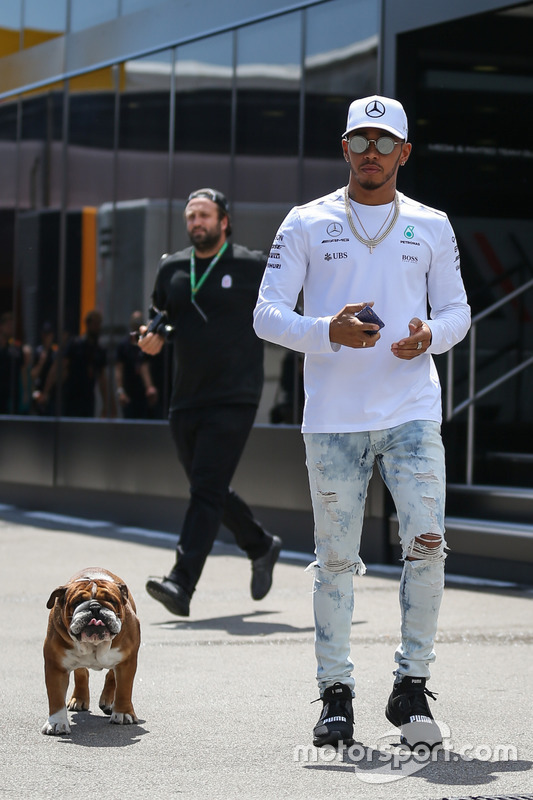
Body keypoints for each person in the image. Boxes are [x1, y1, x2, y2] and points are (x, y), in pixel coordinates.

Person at [253, 96, 471, 750]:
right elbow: (265, 314)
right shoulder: (304, 222)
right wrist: (327, 331)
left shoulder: (431, 225)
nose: (370, 152)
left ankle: (410, 685)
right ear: (343, 148)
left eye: (384, 142)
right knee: (335, 560)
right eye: (359, 140)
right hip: (332, 419)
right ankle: (335, 694)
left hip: (410, 410)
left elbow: (458, 311)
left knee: (427, 541)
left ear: (404, 153)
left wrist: (430, 335)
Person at [138, 188, 282, 618]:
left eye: (204, 215)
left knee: (205, 489)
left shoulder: (251, 265)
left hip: (235, 395)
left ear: (224, 221)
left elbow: (291, 302)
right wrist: (152, 337)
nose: (196, 222)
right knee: (209, 488)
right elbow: (159, 318)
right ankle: (260, 544)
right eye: (190, 216)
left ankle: (181, 582)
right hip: (185, 397)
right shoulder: (172, 268)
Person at [115, 311, 160, 419]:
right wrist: (121, 391)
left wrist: (149, 387)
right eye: (135, 321)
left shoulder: (145, 344)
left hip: (144, 395)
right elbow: (119, 370)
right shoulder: (123, 345)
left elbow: (145, 366)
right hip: (129, 394)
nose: (137, 324)